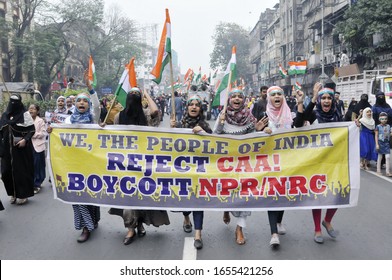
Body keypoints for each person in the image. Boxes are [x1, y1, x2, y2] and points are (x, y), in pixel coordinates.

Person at [108, 87, 170, 245]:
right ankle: (130, 228)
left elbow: (155, 111)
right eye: (132, 94)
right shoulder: (118, 117)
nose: (134, 96)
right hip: (125, 164)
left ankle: (139, 223)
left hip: (145, 163)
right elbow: (112, 137)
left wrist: (146, 94)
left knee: (142, 196)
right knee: (128, 196)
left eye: (137, 94)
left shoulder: (146, 115)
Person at [214, 88, 269, 245]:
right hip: (226, 165)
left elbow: (253, 139)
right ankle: (226, 209)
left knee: (245, 195)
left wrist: (257, 130)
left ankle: (239, 229)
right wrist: (220, 124)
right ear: (229, 100)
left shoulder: (250, 118)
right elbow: (214, 138)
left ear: (244, 100)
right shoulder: (222, 116)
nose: (237, 99)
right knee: (227, 192)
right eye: (234, 96)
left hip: (245, 165)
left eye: (240, 96)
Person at [294, 82, 341, 244]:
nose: (326, 101)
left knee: (338, 193)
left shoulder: (337, 115)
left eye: (329, 98)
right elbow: (301, 120)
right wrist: (313, 96)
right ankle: (317, 229)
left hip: (335, 162)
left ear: (333, 101)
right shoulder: (314, 115)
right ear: (319, 100)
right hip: (317, 163)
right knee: (318, 196)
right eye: (323, 98)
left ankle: (327, 220)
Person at [63, 71, 101, 242]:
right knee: (78, 196)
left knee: (90, 194)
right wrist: (51, 131)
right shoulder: (67, 122)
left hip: (91, 164)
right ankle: (86, 227)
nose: (82, 103)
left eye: (85, 100)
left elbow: (98, 105)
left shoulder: (93, 119)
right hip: (73, 164)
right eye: (79, 100)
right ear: (75, 104)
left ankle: (93, 220)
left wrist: (90, 88)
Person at [170, 95, 212, 249]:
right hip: (183, 170)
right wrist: (172, 130)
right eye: (191, 104)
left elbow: (215, 145)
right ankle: (186, 218)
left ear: (201, 108)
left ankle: (198, 234)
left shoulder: (206, 126)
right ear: (186, 107)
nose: (194, 107)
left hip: (200, 171)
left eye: (197, 105)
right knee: (185, 202)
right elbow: (170, 145)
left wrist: (204, 133)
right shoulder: (180, 124)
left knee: (198, 202)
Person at [262, 86, 294, 248]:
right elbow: (252, 136)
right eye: (273, 94)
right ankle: (273, 233)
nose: (276, 96)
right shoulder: (263, 115)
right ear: (268, 97)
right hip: (268, 164)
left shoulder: (290, 114)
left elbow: (301, 127)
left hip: (286, 162)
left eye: (279, 94)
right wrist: (260, 130)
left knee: (282, 195)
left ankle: (279, 222)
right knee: (271, 197)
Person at [0, 93, 35, 205]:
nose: (13, 104)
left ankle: (22, 194)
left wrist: (25, 140)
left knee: (20, 172)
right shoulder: (5, 115)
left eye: (16, 102)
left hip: (20, 150)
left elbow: (31, 130)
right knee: (6, 173)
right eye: (12, 102)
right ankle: (12, 193)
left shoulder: (25, 115)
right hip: (6, 150)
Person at [28, 104, 47, 194]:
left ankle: (37, 183)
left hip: (38, 145)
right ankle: (31, 182)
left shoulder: (41, 121)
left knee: (38, 165)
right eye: (30, 109)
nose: (31, 110)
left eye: (33, 109)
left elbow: (42, 133)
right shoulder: (26, 120)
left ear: (37, 111)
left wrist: (31, 134)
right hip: (28, 145)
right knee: (30, 165)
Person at [375, 112, 392, 176]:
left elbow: (389, 134)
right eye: (382, 119)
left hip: (386, 143)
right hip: (380, 142)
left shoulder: (388, 126)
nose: (384, 120)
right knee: (380, 157)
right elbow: (376, 135)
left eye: (385, 119)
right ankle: (378, 170)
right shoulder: (378, 126)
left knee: (387, 157)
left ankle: (388, 172)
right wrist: (377, 144)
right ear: (379, 119)